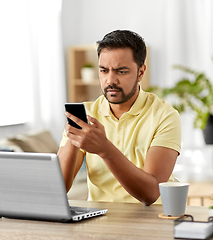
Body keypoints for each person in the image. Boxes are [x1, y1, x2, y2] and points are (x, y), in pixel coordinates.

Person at [58, 30, 181, 206]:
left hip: (151, 219)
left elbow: (151, 193)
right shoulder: (86, 114)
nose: (110, 80)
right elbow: (59, 187)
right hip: (99, 220)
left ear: (140, 72)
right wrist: (73, 137)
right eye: (104, 70)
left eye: (121, 71)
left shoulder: (165, 116)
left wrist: (105, 149)